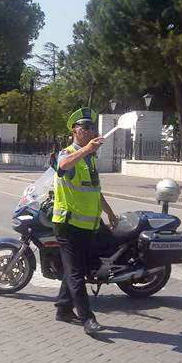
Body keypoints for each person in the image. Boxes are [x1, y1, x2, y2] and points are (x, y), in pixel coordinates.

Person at [52, 107, 117, 335]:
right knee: (76, 273)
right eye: (85, 127)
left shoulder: (90, 160)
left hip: (89, 224)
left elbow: (94, 190)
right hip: (68, 224)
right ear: (75, 131)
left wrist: (109, 212)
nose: (89, 131)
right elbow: (62, 165)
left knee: (79, 268)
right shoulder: (66, 152)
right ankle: (87, 318)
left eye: (92, 127)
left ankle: (63, 309)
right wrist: (86, 149)